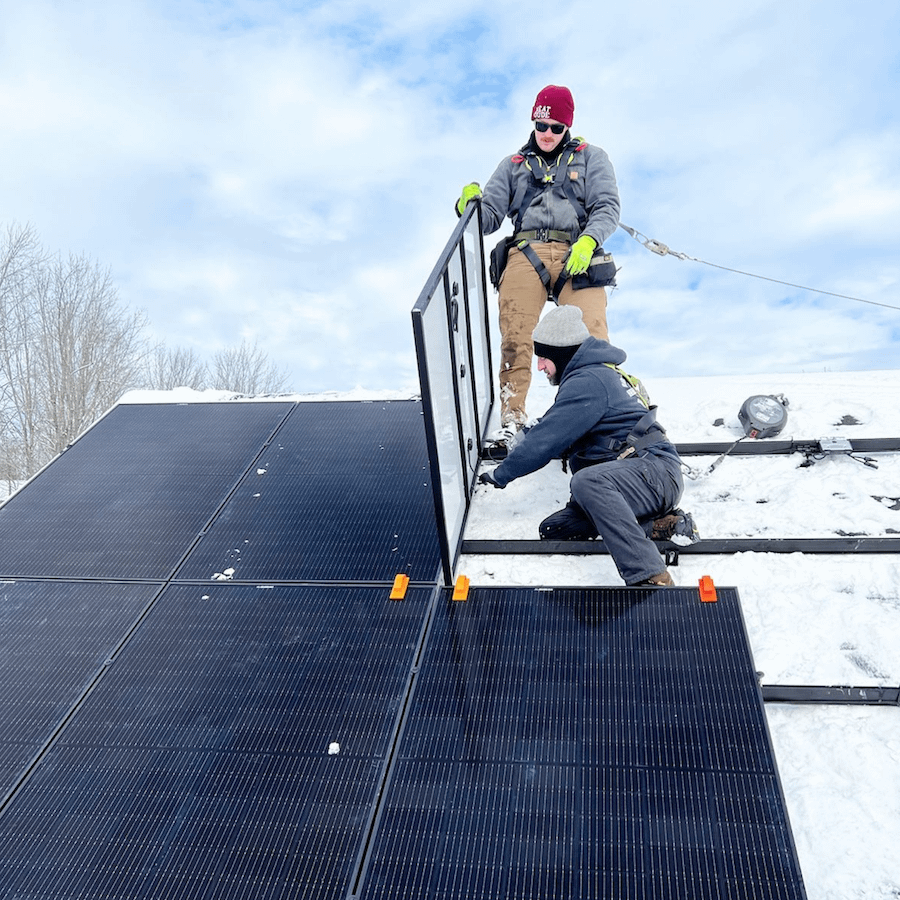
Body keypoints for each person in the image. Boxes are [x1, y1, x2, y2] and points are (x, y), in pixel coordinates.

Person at [477, 305, 696, 587]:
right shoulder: (590, 378)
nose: (540, 366)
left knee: (587, 482)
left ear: (563, 354)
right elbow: (555, 427)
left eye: (544, 358)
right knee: (557, 528)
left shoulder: (590, 380)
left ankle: (650, 575)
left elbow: (547, 441)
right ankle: (661, 525)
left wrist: (500, 474)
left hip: (652, 473)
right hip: (634, 479)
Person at [456, 84, 620, 444]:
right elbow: (488, 219)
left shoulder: (592, 157)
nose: (547, 134)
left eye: (556, 128)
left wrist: (589, 241)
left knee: (591, 335)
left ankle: (594, 415)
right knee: (516, 334)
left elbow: (607, 206)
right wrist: (469, 205)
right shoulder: (513, 165)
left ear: (567, 126)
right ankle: (512, 415)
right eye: (541, 125)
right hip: (526, 252)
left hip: (576, 251)